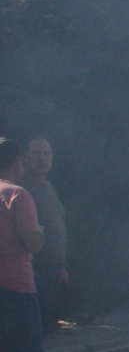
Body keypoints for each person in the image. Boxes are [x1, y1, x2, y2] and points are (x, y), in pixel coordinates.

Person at [0, 137, 73, 352]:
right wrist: (39, 238)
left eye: (46, 153)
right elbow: (33, 241)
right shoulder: (18, 194)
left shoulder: (41, 189)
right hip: (17, 284)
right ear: (19, 162)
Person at [20, 137, 66, 333]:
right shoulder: (21, 190)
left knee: (42, 327)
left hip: (50, 270)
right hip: (30, 270)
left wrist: (61, 264)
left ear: (52, 157)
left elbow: (56, 226)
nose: (42, 159)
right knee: (26, 328)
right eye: (36, 153)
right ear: (25, 158)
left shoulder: (48, 187)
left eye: (46, 153)